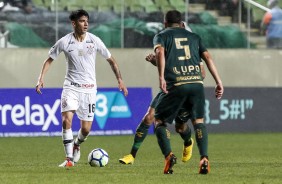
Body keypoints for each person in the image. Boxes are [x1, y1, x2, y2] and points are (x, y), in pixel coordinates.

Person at [35, 9, 128, 168]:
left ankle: (77, 144)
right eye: (82, 21)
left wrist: (120, 80)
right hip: (70, 87)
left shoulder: (94, 40)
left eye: (87, 21)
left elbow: (111, 60)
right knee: (66, 120)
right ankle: (69, 159)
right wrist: (40, 78)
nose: (86, 24)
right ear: (74, 23)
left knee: (86, 129)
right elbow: (49, 60)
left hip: (89, 90)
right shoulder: (64, 41)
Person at [119, 22, 205, 166]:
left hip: (184, 92)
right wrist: (155, 62)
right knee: (149, 118)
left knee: (180, 127)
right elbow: (167, 68)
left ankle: (188, 141)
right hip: (169, 89)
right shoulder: (168, 44)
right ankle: (132, 155)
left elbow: (202, 74)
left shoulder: (193, 48)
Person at [153, 10, 223, 174]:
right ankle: (204, 158)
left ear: (165, 23)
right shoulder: (195, 37)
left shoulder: (161, 36)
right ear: (182, 23)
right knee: (198, 121)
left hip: (177, 84)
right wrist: (218, 81)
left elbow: (160, 52)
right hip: (196, 84)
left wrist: (161, 77)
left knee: (160, 122)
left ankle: (169, 156)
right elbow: (208, 58)